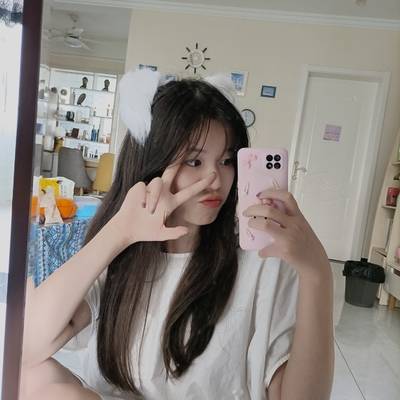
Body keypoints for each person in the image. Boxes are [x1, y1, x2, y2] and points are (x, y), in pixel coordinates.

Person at [20, 69, 334, 400]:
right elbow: (25, 346)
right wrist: (118, 232)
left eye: (227, 160)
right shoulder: (121, 259)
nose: (216, 179)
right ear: (151, 165)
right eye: (194, 161)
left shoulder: (262, 261)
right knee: (33, 376)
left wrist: (318, 274)